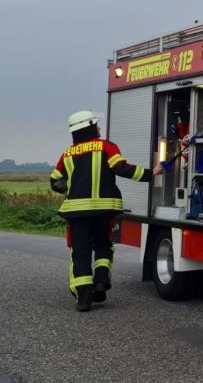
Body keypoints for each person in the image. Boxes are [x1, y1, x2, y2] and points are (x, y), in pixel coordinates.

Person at [49, 110, 163, 311]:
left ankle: (84, 299)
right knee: (103, 245)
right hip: (104, 210)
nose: (99, 128)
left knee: (80, 251)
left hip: (77, 213)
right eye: (96, 125)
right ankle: (101, 281)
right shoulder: (106, 146)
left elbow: (55, 181)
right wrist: (151, 173)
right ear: (90, 127)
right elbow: (122, 168)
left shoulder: (67, 153)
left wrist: (71, 187)